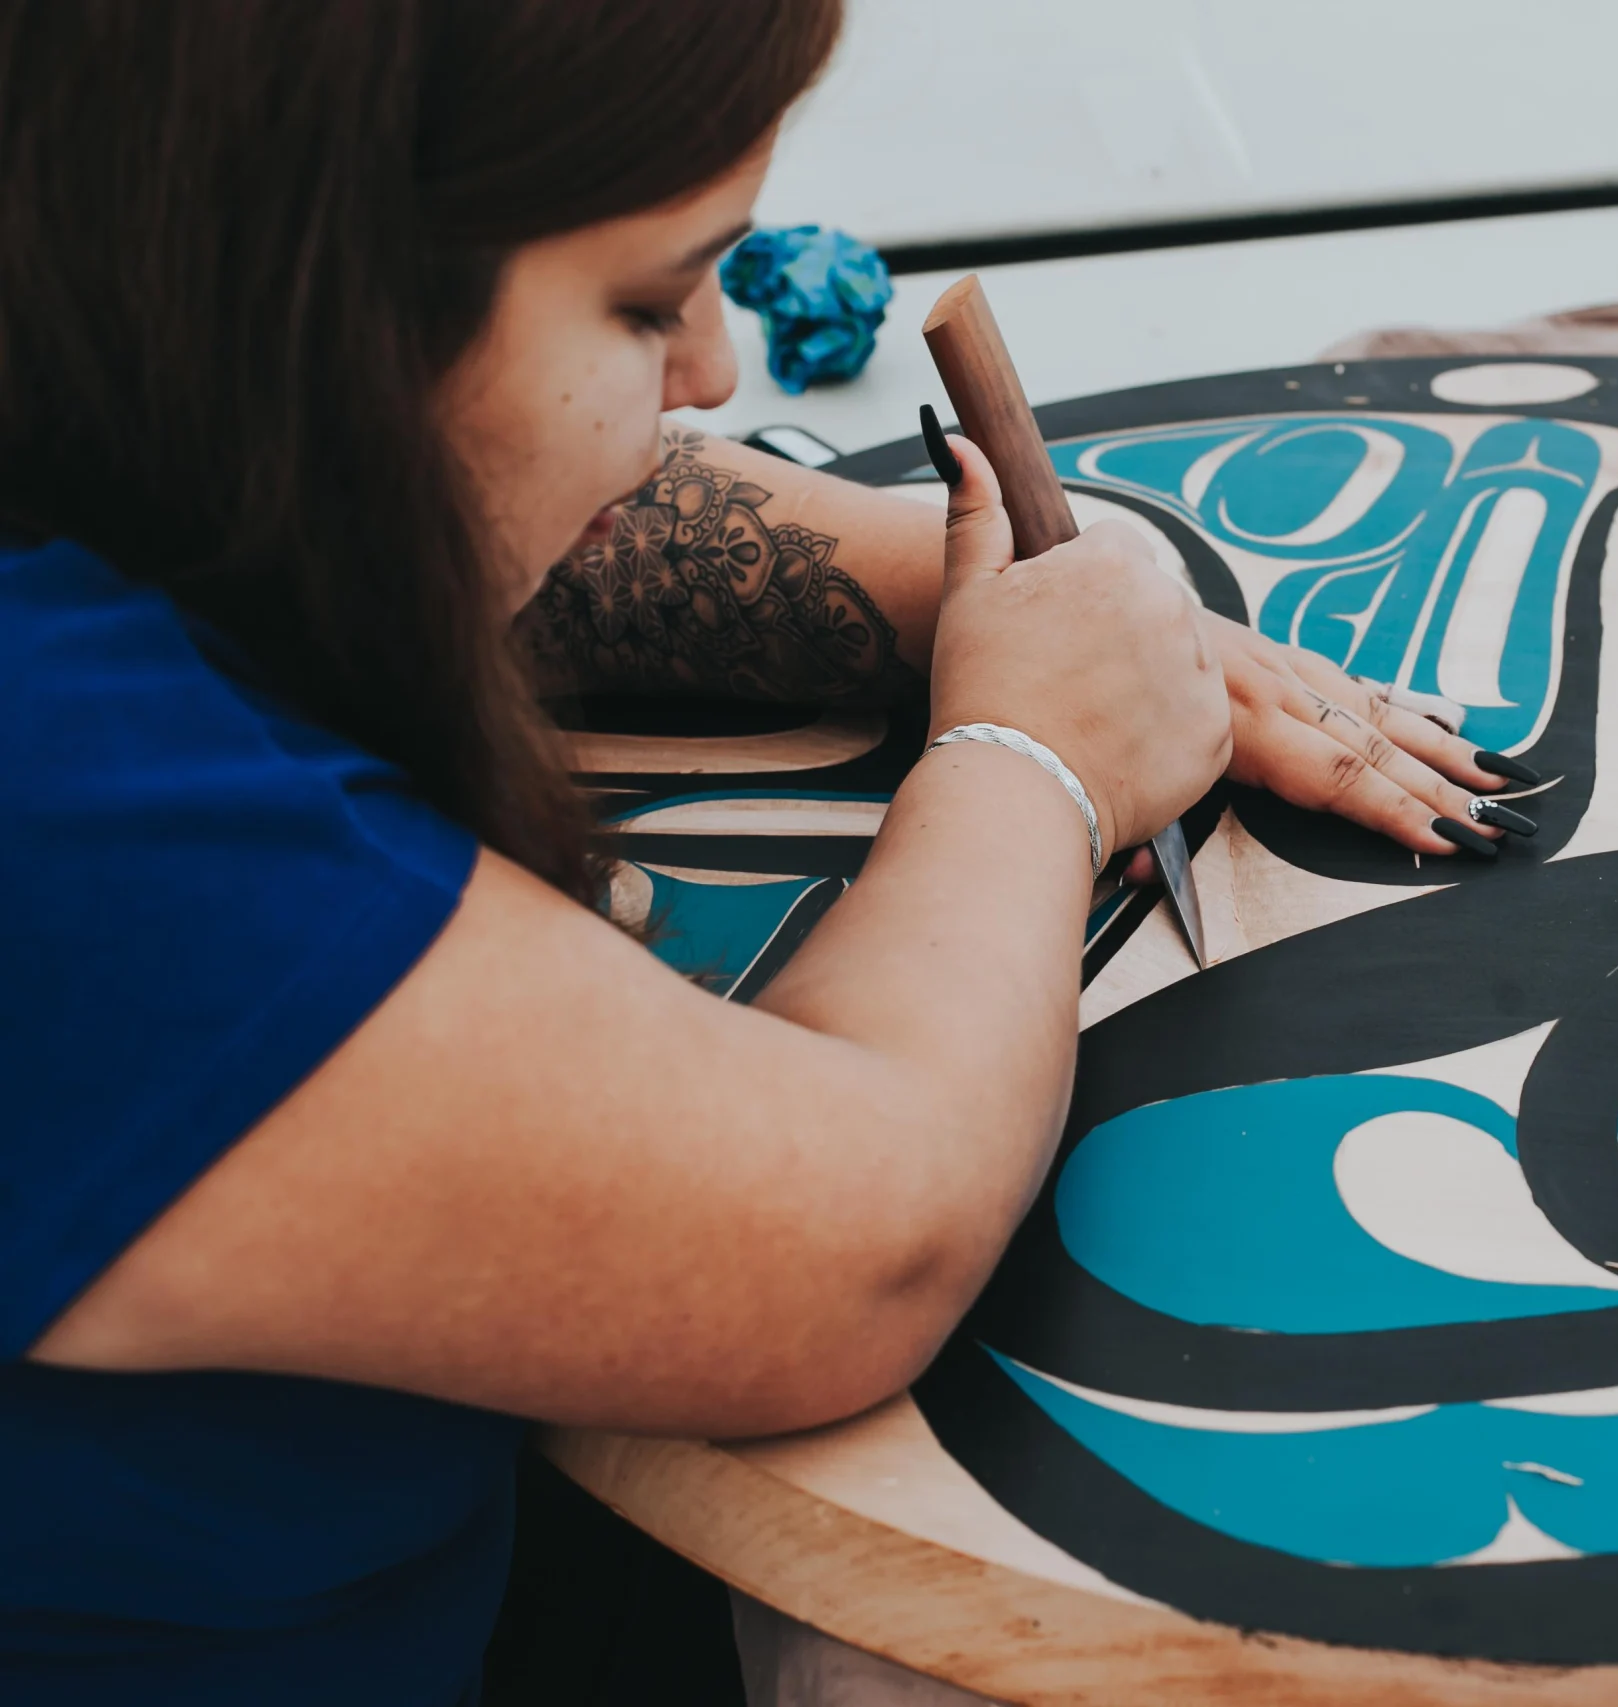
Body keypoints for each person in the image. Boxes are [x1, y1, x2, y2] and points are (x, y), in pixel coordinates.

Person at [0, 1, 1532, 1700]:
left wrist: (950, 587)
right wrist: (1036, 760)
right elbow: (861, 1233)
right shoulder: (77, 820)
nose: (713, 371)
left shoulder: (87, 343)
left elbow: (403, 493)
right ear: (316, 297)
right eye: (647, 299)